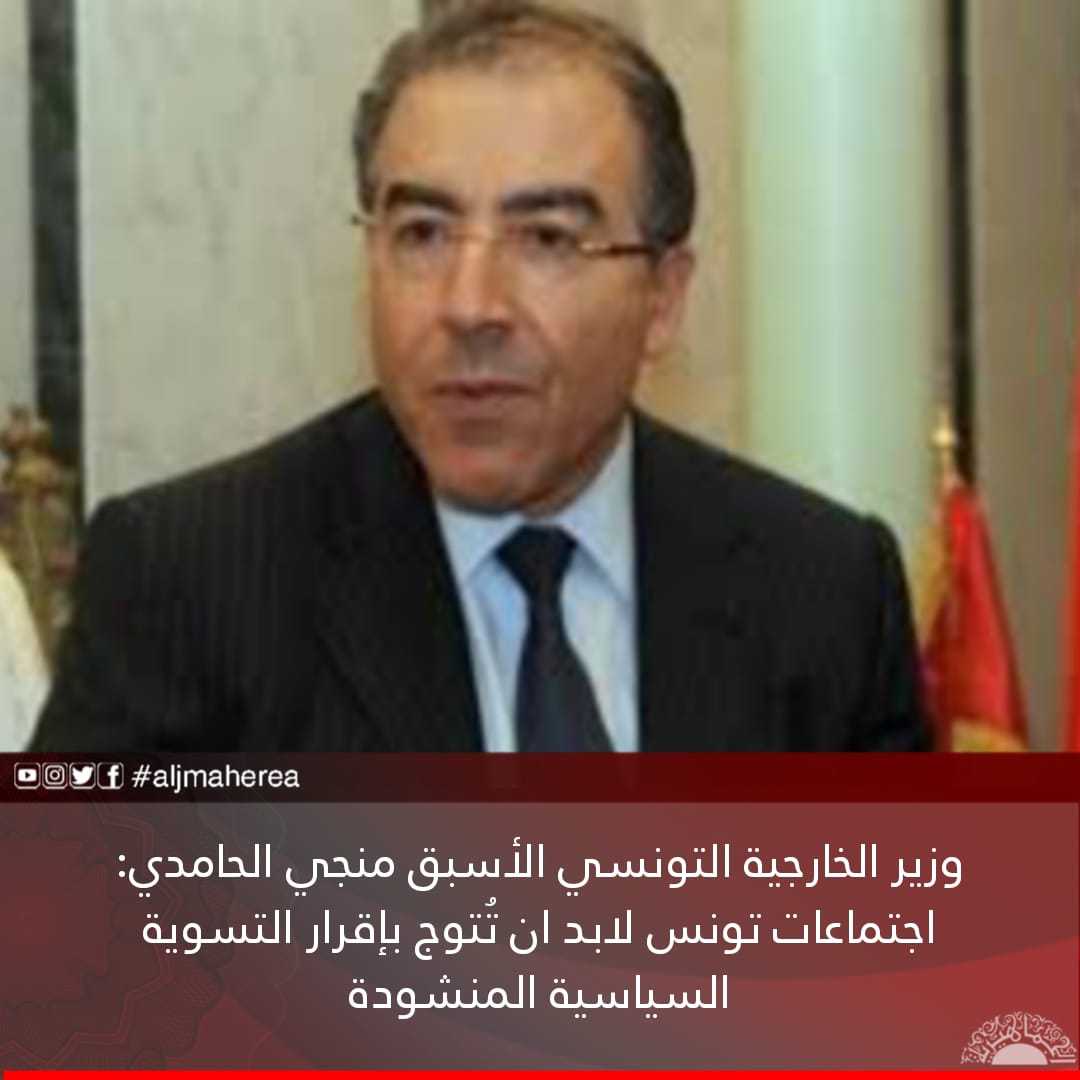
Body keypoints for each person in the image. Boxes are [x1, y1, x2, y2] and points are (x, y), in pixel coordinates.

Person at [31, 0, 928, 751]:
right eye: (422, 233)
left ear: (661, 297)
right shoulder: (189, 583)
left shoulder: (823, 591)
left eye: (547, 239)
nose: (469, 306)